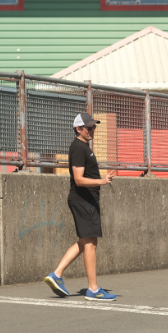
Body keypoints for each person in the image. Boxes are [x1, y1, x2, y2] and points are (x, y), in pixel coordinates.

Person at [44, 113, 116, 301]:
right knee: (90, 243)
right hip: (83, 200)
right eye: (89, 127)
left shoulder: (84, 147)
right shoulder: (78, 148)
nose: (93, 130)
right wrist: (102, 181)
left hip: (87, 200)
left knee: (86, 242)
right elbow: (78, 179)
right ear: (79, 129)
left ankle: (57, 274)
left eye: (94, 127)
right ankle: (93, 289)